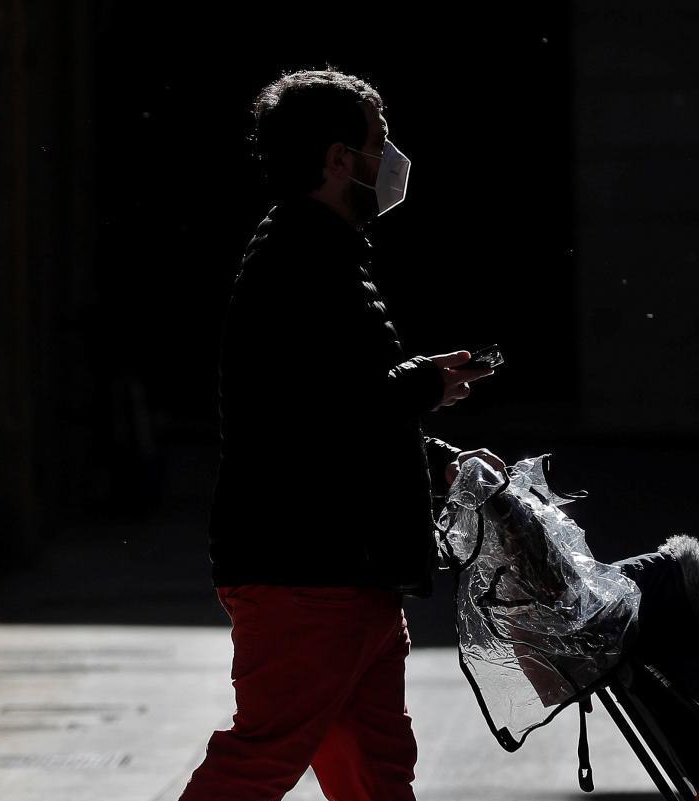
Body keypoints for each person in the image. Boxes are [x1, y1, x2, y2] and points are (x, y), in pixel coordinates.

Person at [178, 69, 504, 801]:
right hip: (306, 567)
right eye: (378, 142)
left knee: (376, 768)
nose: (391, 160)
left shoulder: (323, 253)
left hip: (347, 568)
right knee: (261, 759)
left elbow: (336, 412)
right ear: (337, 159)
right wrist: (424, 384)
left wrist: (437, 462)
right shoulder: (299, 260)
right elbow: (323, 410)